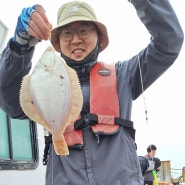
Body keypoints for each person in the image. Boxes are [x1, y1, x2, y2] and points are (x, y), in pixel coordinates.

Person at [0, 1, 183, 185]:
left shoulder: (124, 75)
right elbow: (11, 101)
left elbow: (168, 44)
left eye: (84, 30)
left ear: (99, 38)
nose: (75, 39)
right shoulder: (41, 85)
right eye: (67, 33)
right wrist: (20, 47)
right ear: (59, 44)